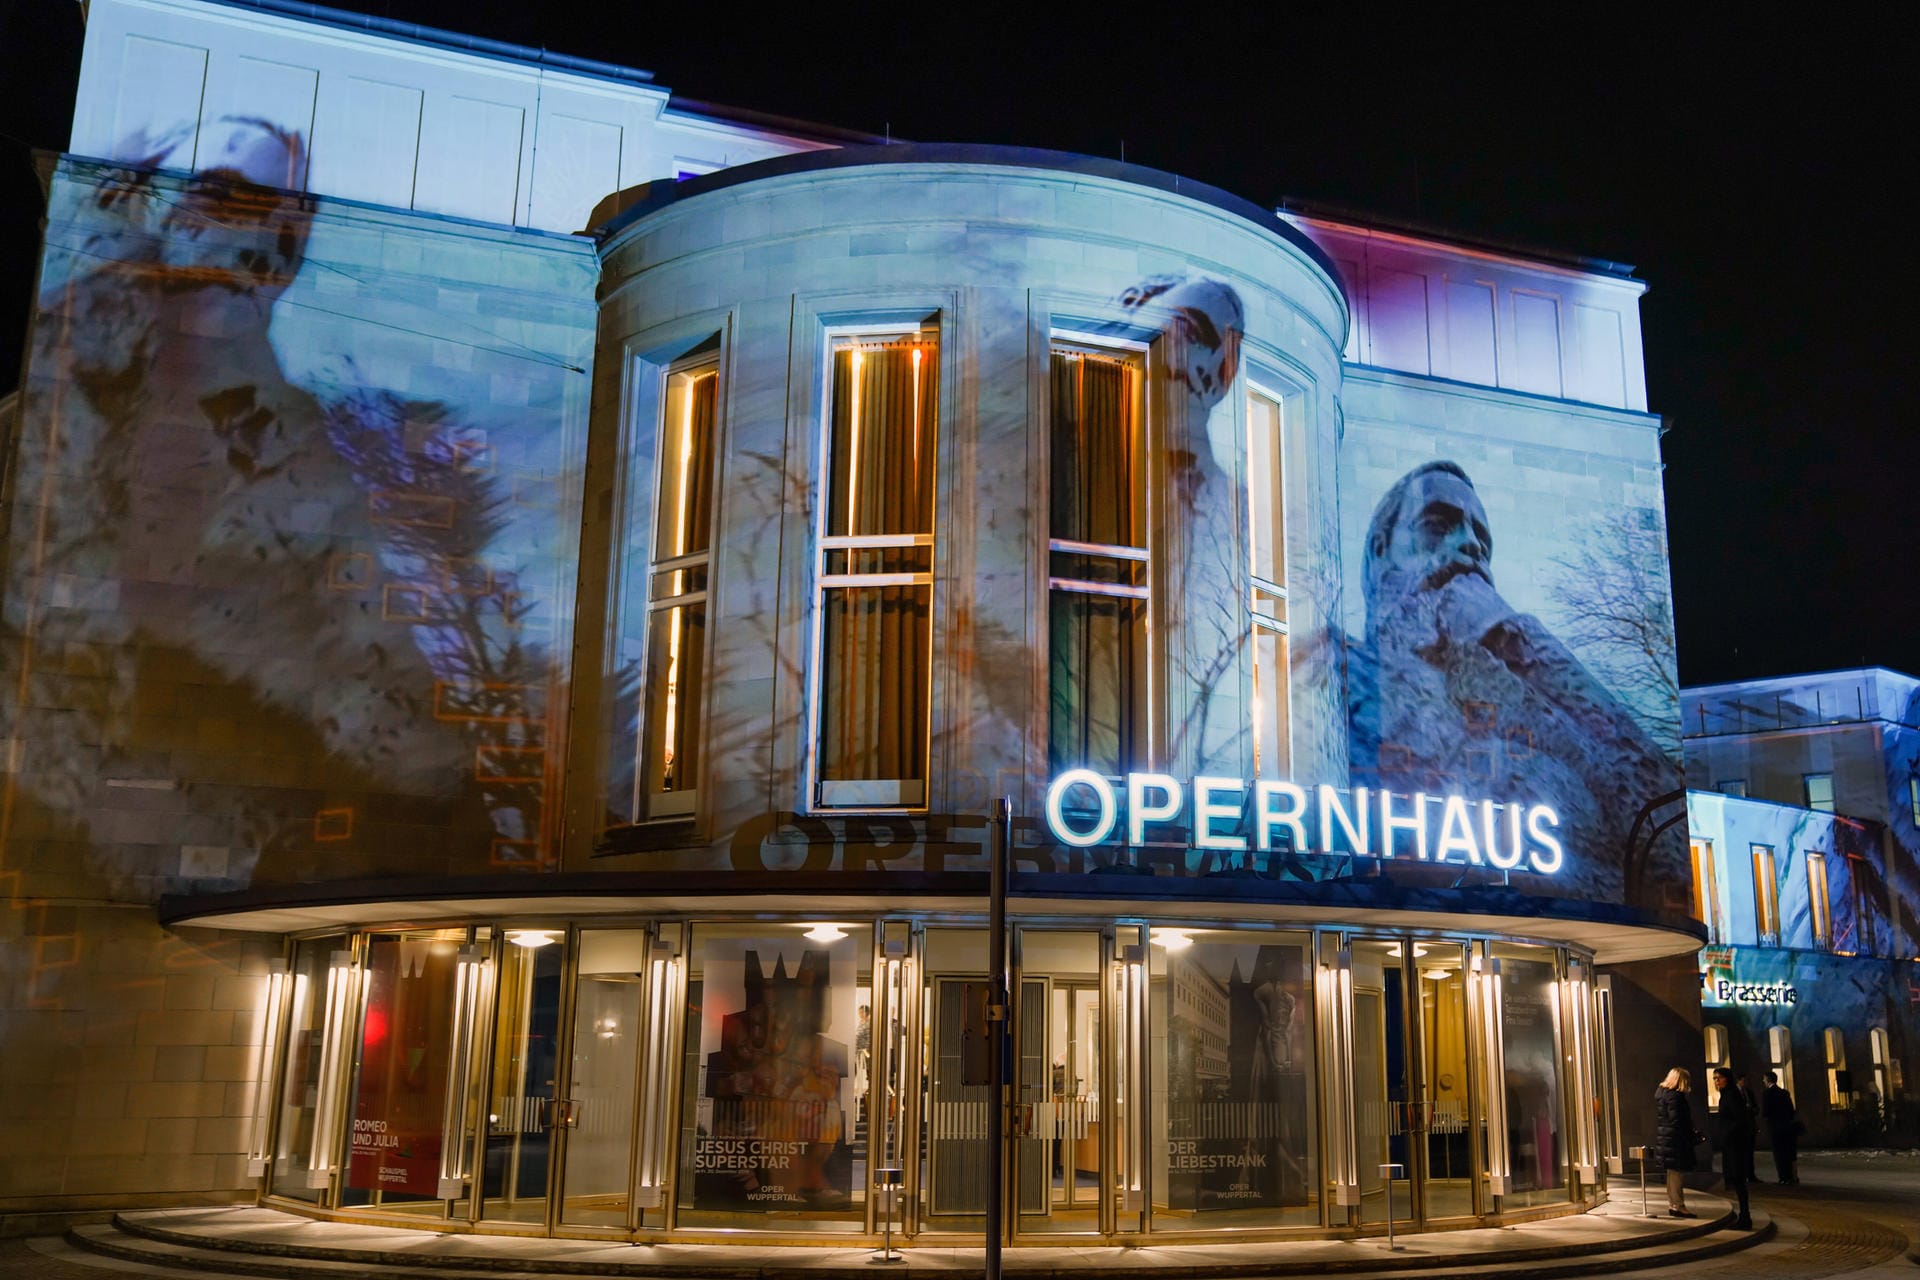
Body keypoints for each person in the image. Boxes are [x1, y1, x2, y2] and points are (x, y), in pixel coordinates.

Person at [1349, 461, 1687, 909]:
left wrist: (1517, 639)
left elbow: (1666, 845)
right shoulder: (1345, 671)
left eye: (1480, 541)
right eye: (1437, 525)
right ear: (1380, 552)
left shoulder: (1519, 691)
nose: (1469, 545)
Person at [1709, 1067, 1757, 1229]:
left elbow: (1739, 1120)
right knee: (1736, 1180)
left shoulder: (1731, 1096)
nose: (1716, 1082)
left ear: (1727, 1079)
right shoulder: (1727, 1096)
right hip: (1730, 1145)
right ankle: (1744, 1216)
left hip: (1735, 1145)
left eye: (1719, 1078)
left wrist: (1726, 1135)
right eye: (1714, 1079)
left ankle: (1745, 1217)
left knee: (1738, 1180)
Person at [1654, 1067, 1703, 1217]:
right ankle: (1678, 1205)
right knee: (1677, 1173)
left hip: (1667, 1138)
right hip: (1675, 1140)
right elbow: (1678, 1120)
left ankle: (1674, 1204)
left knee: (1672, 1173)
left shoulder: (1663, 1094)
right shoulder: (1675, 1097)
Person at [1760, 1070, 1799, 1184]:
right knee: (1787, 1151)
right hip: (1786, 1126)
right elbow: (1791, 1111)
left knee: (1778, 1153)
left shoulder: (1767, 1093)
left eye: (1764, 1079)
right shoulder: (1784, 1093)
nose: (1763, 1081)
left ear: (1767, 1080)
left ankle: (1783, 1177)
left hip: (1774, 1127)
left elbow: (1765, 1112)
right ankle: (1791, 1176)